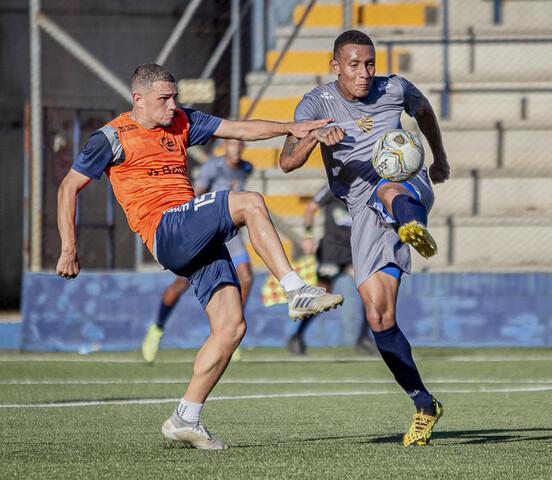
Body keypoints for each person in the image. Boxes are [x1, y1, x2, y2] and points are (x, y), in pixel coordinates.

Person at [56, 63, 343, 450]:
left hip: (192, 232)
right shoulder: (111, 137)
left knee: (231, 327)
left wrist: (289, 128)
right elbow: (68, 187)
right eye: (164, 99)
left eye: (174, 97)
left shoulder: (182, 121)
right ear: (138, 100)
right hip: (165, 229)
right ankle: (295, 290)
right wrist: (69, 248)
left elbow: (240, 128)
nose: (173, 105)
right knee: (250, 202)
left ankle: (185, 417)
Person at [279, 30, 451, 446]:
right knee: (379, 318)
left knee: (387, 187)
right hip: (361, 212)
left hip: (406, 184)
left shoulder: (394, 88)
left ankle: (413, 226)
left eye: (369, 63)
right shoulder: (316, 104)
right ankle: (424, 403)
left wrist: (440, 159)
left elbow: (424, 111)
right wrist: (313, 137)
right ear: (335, 64)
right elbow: (286, 161)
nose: (364, 73)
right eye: (354, 65)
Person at [142, 138, 254, 363]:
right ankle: (157, 328)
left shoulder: (246, 168)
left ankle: (230, 332)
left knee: (246, 276)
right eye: (232, 144)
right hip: (206, 230)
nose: (236, 149)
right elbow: (196, 195)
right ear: (225, 147)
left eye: (240, 145)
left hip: (229, 234)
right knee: (181, 284)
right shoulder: (213, 166)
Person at [287, 184, 375, 355]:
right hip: (331, 252)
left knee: (370, 292)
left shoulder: (366, 186)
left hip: (354, 251)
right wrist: (308, 236)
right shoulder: (334, 185)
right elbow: (310, 209)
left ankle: (364, 338)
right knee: (322, 295)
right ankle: (297, 336)